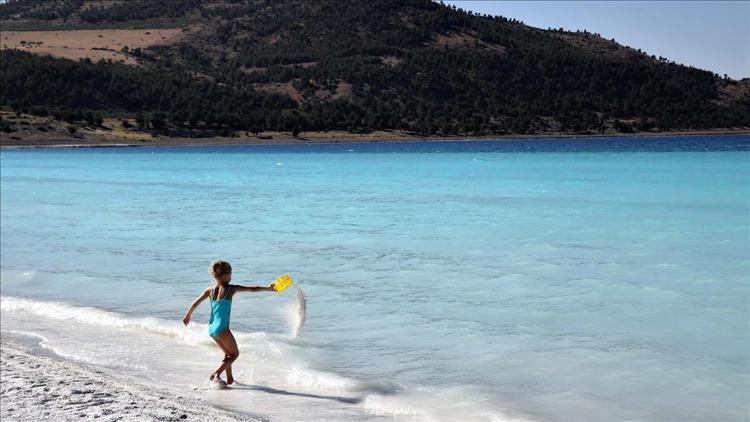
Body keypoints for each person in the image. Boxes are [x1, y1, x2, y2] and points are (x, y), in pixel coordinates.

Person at [182, 260, 276, 386]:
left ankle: (230, 379)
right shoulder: (230, 289)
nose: (231, 277)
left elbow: (195, 303)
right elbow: (253, 289)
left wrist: (187, 315)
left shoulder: (209, 290)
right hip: (222, 328)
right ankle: (216, 374)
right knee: (235, 354)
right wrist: (269, 288)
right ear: (225, 275)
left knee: (227, 353)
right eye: (230, 274)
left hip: (211, 328)